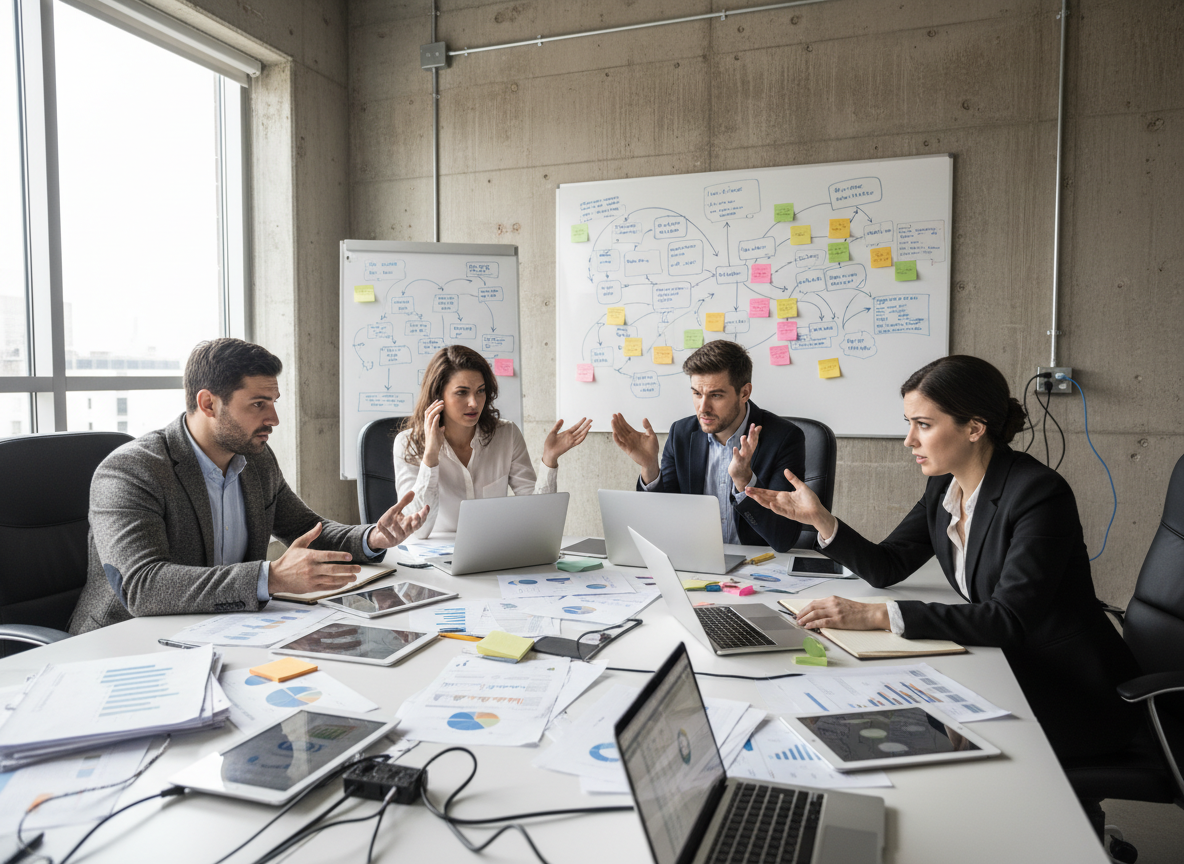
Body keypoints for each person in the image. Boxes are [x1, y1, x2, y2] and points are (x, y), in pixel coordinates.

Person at [745, 354, 1140, 762]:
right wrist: (821, 520)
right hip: (1005, 668)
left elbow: (1009, 619)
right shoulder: (944, 489)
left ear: (974, 427)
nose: (909, 440)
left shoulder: (1038, 494)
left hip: (1068, 690)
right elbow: (888, 565)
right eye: (909, 424)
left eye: (924, 425)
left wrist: (879, 615)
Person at [70, 338, 428, 634]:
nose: (272, 419)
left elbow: (308, 531)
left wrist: (372, 539)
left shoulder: (255, 459)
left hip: (222, 630)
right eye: (258, 404)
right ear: (208, 403)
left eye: (272, 402)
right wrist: (270, 577)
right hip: (125, 642)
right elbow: (144, 587)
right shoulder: (131, 471)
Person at [610, 339, 806, 552]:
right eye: (697, 393)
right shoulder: (682, 434)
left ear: (744, 393)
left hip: (759, 567)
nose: (703, 408)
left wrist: (744, 483)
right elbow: (662, 523)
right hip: (696, 561)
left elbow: (783, 538)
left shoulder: (784, 438)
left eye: (716, 395)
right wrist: (649, 468)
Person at [393, 345, 591, 538]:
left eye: (480, 391)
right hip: (433, 557)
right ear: (438, 396)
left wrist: (550, 458)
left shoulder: (507, 434)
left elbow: (537, 518)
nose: (474, 402)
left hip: (492, 549)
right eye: (462, 392)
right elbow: (418, 530)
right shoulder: (407, 444)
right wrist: (430, 456)